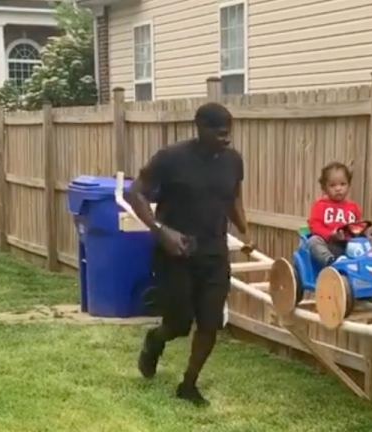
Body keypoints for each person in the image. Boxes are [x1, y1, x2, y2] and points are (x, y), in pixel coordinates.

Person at [125, 102, 248, 406]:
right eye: (219, 133)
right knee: (180, 323)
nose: (226, 139)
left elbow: (232, 198)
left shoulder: (233, 161)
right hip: (175, 251)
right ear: (200, 127)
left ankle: (189, 384)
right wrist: (159, 229)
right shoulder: (171, 158)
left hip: (214, 251)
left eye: (228, 133)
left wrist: (246, 232)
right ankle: (156, 339)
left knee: (210, 321)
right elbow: (134, 192)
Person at [306, 162, 361, 267]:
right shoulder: (320, 205)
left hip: (350, 246)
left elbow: (358, 226)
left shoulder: (353, 207)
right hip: (329, 245)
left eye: (342, 184)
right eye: (332, 185)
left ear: (348, 185)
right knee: (313, 241)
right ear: (325, 188)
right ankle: (331, 262)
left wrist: (358, 231)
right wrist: (330, 234)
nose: (338, 188)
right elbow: (315, 226)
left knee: (369, 237)